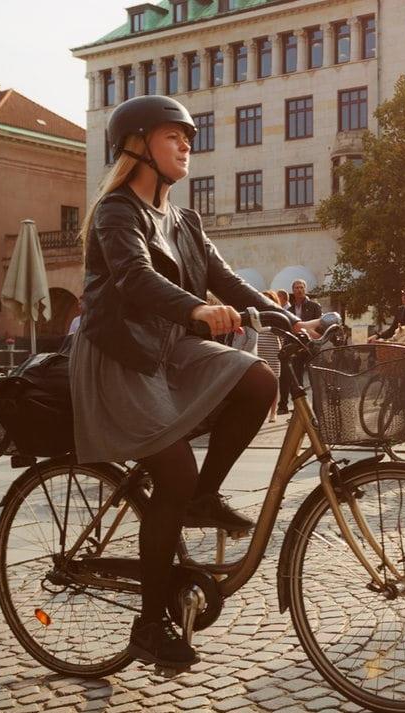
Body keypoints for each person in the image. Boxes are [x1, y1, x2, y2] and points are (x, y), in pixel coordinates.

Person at [70, 94, 281, 672]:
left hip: (166, 349)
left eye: (189, 136)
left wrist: (282, 314)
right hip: (119, 355)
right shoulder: (117, 211)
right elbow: (134, 278)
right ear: (136, 145)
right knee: (173, 470)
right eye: (173, 136)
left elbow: (223, 276)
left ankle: (201, 499)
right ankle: (149, 625)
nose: (187, 144)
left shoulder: (184, 219)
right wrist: (197, 311)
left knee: (259, 382)